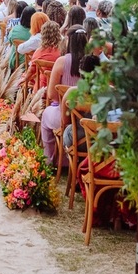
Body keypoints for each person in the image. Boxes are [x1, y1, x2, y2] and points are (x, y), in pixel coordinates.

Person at [40, 28, 88, 169]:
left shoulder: (62, 62)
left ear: (69, 42)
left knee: (45, 115)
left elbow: (51, 95)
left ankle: (50, 159)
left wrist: (63, 101)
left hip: (64, 116)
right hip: (89, 119)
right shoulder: (94, 63)